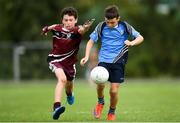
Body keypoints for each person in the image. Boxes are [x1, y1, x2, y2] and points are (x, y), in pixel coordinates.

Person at [80, 5, 144, 121]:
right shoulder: (101, 26)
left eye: (112, 22)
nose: (109, 24)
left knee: (113, 91)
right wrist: (86, 56)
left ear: (118, 18)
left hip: (119, 61)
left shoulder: (125, 26)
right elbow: (90, 41)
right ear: (105, 19)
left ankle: (112, 111)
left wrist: (131, 43)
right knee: (100, 85)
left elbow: (140, 37)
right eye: (107, 22)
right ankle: (100, 102)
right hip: (104, 60)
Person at [41, 7, 94, 120]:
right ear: (62, 20)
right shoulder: (57, 28)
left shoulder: (77, 30)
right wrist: (45, 29)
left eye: (71, 20)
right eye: (65, 20)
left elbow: (82, 30)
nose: (68, 22)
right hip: (55, 59)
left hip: (69, 64)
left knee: (69, 87)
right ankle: (56, 107)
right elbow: (49, 27)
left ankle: (69, 94)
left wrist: (86, 27)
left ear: (76, 20)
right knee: (62, 79)